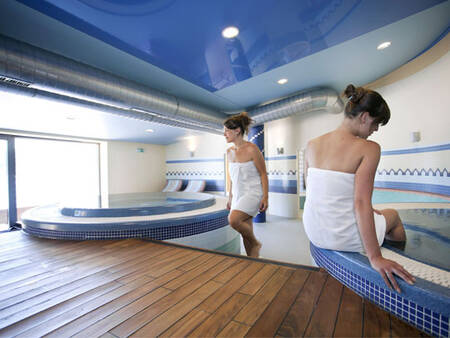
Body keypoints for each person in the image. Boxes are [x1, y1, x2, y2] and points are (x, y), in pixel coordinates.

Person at [303, 84, 415, 292]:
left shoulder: (312, 144)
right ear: (364, 117)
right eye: (376, 123)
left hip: (314, 231)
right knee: (393, 216)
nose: (375, 130)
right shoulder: (369, 149)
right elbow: (361, 202)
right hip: (343, 236)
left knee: (376, 213)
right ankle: (400, 260)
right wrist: (375, 257)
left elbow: (317, 192)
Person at [224, 112, 268, 257]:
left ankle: (256, 243)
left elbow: (263, 173)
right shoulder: (229, 152)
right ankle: (253, 262)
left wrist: (265, 197)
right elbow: (232, 177)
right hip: (238, 194)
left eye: (227, 131)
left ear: (237, 131)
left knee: (234, 220)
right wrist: (230, 198)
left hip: (253, 193)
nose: (224, 134)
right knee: (245, 233)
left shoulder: (252, 149)